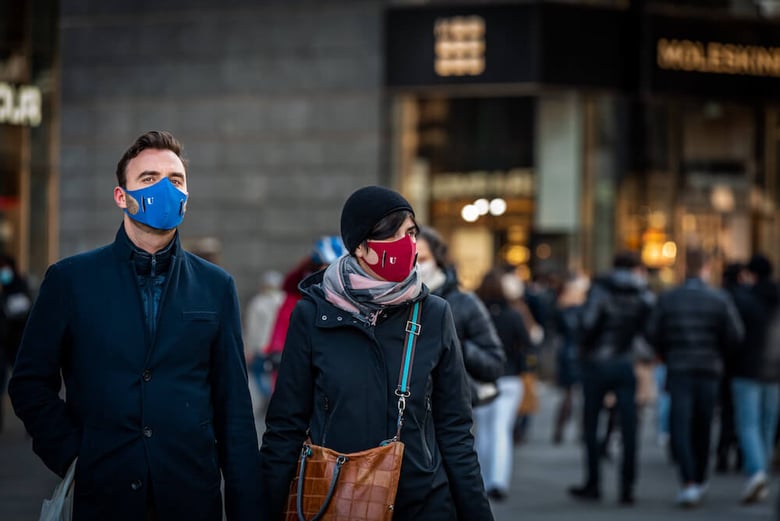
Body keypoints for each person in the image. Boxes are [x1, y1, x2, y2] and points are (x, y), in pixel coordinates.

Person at [8, 131, 262, 520]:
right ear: (120, 196)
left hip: (190, 496)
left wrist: (248, 508)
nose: (165, 189)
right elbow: (29, 382)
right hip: (103, 495)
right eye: (148, 178)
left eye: (175, 180)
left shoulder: (216, 286)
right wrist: (74, 454)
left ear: (187, 194)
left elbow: (234, 410)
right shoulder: (71, 280)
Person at [259, 185, 493, 520]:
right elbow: (285, 426)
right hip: (336, 500)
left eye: (411, 233)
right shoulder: (313, 314)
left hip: (424, 503)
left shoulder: (435, 313)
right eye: (393, 234)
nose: (407, 244)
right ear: (360, 246)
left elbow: (455, 430)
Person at [646, 249, 744, 508]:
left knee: (681, 425)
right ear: (706, 269)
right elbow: (735, 335)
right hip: (708, 369)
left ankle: (690, 480)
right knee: (703, 424)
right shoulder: (718, 299)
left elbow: (653, 332)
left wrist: (667, 352)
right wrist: (718, 354)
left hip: (679, 367)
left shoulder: (669, 299)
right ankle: (698, 478)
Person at [568, 251, 655, 505]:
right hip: (625, 363)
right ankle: (627, 487)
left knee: (591, 424)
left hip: (597, 364)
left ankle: (593, 483)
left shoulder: (600, 290)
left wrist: (584, 346)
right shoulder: (642, 294)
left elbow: (587, 324)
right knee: (629, 427)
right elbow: (651, 330)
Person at [416, 226, 504, 408]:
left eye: (422, 259)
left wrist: (455, 345)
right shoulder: (391, 301)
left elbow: (494, 364)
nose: (416, 266)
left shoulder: (465, 302)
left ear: (437, 259)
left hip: (450, 408)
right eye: (410, 258)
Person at [474, 268, 534, 501]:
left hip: (480, 378)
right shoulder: (513, 314)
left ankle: (481, 480)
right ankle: (498, 480)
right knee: (501, 430)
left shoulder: (475, 314)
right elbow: (528, 344)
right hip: (509, 377)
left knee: (483, 430)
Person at [262, 235, 345, 390]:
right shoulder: (296, 299)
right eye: (323, 266)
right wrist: (278, 352)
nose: (328, 273)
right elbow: (282, 328)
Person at [730, 254, 780, 504]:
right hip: (775, 371)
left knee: (748, 424)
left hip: (747, 369)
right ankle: (762, 470)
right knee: (767, 424)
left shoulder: (744, 299)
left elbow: (733, 334)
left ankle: (757, 471)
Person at [551, 272, 589, 445]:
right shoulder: (575, 311)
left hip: (568, 354)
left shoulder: (563, 309)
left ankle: (562, 431)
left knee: (570, 396)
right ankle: (578, 431)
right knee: (575, 396)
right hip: (575, 355)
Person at [243, 269, 284, 415]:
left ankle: (268, 395)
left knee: (259, 373)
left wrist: (248, 349)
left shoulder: (257, 302)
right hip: (281, 345)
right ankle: (276, 397)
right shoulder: (284, 301)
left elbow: (252, 328)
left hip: (262, 346)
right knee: (277, 374)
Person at [0, 253, 32, 432]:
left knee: (23, 382)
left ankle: (31, 423)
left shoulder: (19, 285)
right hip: (3, 344)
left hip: (16, 342)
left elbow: (22, 308)